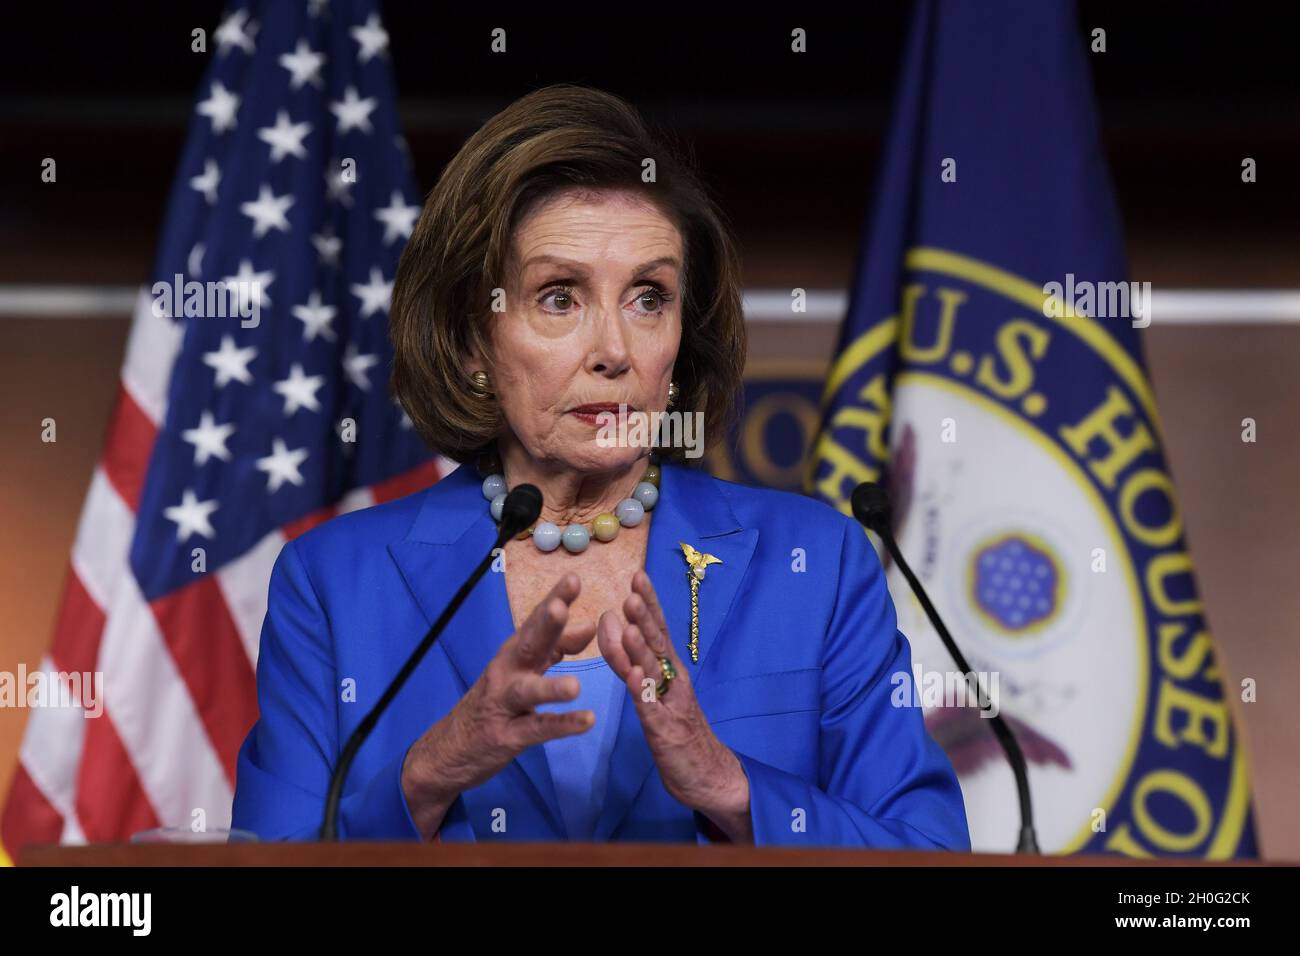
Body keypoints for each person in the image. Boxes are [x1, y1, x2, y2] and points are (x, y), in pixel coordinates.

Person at [231, 84, 970, 849]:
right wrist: (427, 774)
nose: (614, 351)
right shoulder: (334, 585)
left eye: (650, 298)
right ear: (469, 342)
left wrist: (731, 787)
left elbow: (930, 854)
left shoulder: (815, 564)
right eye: (559, 298)